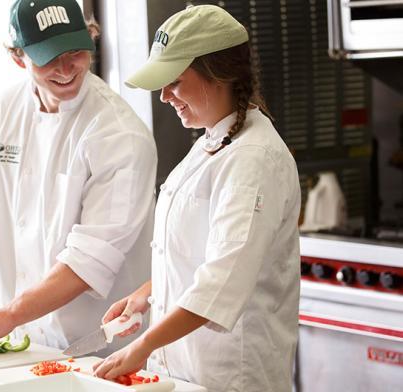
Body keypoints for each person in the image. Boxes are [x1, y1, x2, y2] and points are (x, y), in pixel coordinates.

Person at [0, 0, 157, 356]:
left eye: (76, 51)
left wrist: (8, 315)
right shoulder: (5, 109)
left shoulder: (117, 135)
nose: (67, 68)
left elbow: (89, 263)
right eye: (50, 56)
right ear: (19, 57)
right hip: (19, 341)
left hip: (98, 347)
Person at [93, 5, 301, 392]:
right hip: (187, 371)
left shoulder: (253, 159)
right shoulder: (214, 139)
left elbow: (221, 280)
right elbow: (196, 254)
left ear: (218, 74)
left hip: (230, 378)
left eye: (173, 81)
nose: (164, 96)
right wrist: (144, 296)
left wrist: (142, 345)